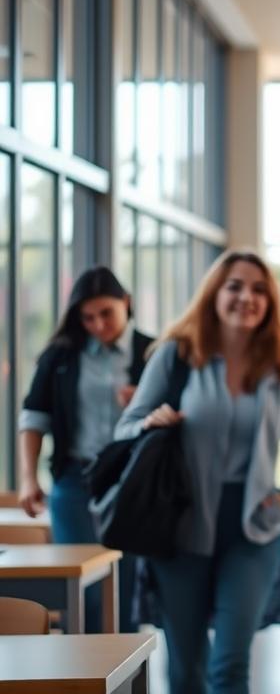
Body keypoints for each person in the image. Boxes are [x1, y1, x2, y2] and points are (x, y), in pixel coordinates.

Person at [115, 250, 280, 694]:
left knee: (230, 664)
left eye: (259, 290)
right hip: (178, 526)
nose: (247, 297)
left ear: (270, 303)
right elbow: (126, 427)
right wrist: (150, 423)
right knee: (187, 667)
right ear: (214, 294)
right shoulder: (175, 356)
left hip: (254, 531)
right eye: (235, 286)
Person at [17, 266, 152, 632]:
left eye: (106, 313)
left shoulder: (153, 353)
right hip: (75, 481)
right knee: (84, 590)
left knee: (127, 591)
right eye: (87, 317)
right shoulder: (60, 357)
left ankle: (125, 684)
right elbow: (33, 418)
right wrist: (29, 480)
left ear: (127, 303)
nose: (97, 324)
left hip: (133, 484)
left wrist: (144, 406)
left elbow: (181, 416)